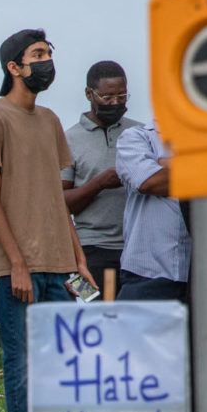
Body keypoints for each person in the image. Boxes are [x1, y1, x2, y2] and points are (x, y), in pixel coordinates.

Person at [0, 28, 96, 412]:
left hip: (63, 265)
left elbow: (56, 197)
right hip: (18, 269)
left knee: (69, 360)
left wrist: (80, 259)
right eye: (38, 54)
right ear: (15, 67)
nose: (47, 61)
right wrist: (17, 264)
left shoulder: (49, 122)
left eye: (49, 53)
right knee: (22, 363)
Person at [62, 61, 140, 281]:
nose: (115, 103)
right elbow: (61, 203)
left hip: (139, 249)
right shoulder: (67, 140)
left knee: (134, 314)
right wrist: (101, 183)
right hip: (89, 250)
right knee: (92, 313)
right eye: (107, 98)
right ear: (89, 94)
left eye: (122, 97)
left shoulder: (141, 134)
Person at [116, 123, 192, 302]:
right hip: (147, 275)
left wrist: (168, 165)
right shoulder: (137, 137)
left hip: (201, 278)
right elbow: (149, 182)